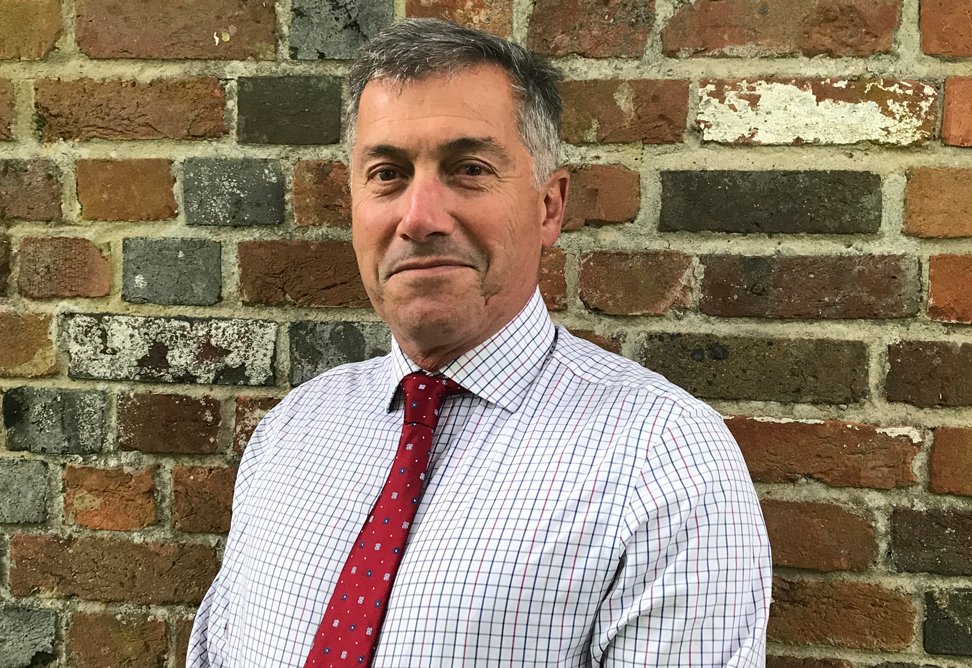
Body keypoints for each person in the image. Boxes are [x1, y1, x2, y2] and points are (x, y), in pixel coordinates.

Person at [188, 18, 770, 668]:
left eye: (467, 169)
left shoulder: (663, 462)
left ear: (549, 206)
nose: (419, 218)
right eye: (387, 173)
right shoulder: (289, 437)